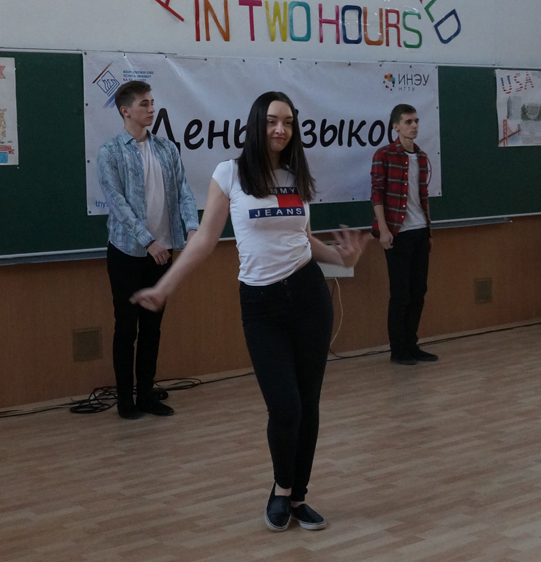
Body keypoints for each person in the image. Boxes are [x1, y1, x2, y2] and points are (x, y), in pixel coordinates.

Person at [131, 92, 370, 532]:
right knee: (285, 406)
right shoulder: (230, 173)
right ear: (257, 123)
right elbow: (205, 240)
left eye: (289, 122)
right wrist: (164, 287)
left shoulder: (296, 176)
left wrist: (343, 259)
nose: (281, 129)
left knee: (308, 405)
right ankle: (281, 488)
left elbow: (304, 240)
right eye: (273, 120)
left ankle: (298, 497)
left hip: (309, 297)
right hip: (261, 305)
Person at [97, 80, 199, 420]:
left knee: (152, 329)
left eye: (152, 102)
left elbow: (183, 191)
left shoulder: (167, 149)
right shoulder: (110, 152)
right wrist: (147, 240)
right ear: (125, 110)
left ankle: (146, 395)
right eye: (144, 104)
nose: (151, 109)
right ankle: (125, 400)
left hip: (163, 252)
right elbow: (118, 204)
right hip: (127, 253)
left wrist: (192, 226)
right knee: (126, 328)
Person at [371, 104, 437, 366]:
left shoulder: (421, 156)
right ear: (396, 126)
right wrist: (383, 230)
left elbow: (423, 197)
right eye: (408, 122)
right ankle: (398, 350)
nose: (415, 126)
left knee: (419, 291)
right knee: (400, 294)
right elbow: (377, 193)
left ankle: (412, 344)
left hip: (420, 230)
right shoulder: (384, 154)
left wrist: (428, 231)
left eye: (416, 121)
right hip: (397, 233)